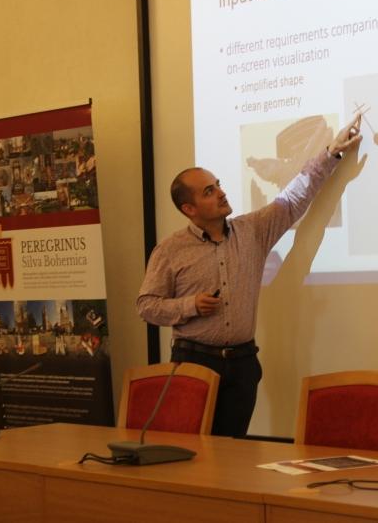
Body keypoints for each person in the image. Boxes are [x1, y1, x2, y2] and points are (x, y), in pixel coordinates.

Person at [136, 114, 363, 437]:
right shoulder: (171, 250)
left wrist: (331, 153)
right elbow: (146, 305)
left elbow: (294, 197)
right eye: (209, 191)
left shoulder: (252, 231)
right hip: (193, 363)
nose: (221, 193)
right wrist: (189, 305)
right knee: (195, 451)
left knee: (233, 451)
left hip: (242, 364)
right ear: (189, 209)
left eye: (218, 185)